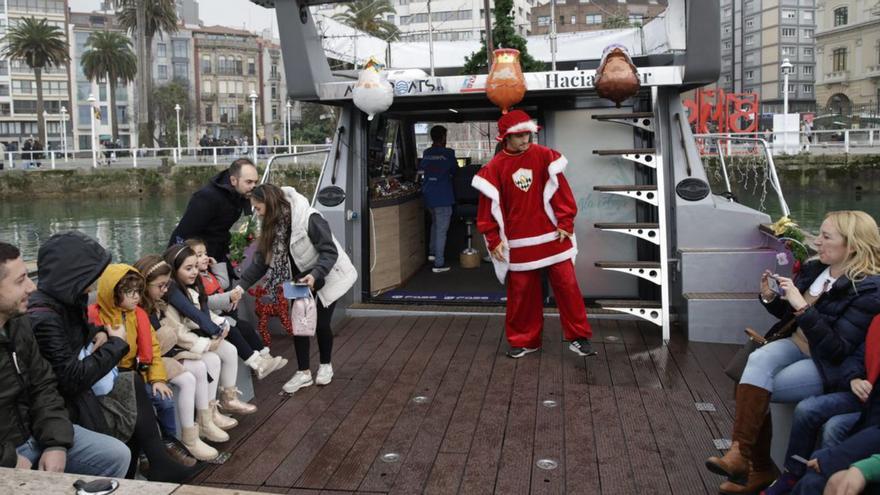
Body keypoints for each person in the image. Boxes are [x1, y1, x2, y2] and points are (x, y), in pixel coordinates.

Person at [705, 211, 880, 495]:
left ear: (853, 245)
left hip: (824, 362)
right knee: (755, 364)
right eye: (819, 234)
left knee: (755, 385)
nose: (817, 242)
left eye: (826, 237)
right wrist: (771, 297)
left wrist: (803, 308)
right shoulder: (816, 269)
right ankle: (742, 457)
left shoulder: (868, 288)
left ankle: (757, 467)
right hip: (794, 343)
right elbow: (790, 316)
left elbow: (837, 350)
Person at [471, 109, 594, 359]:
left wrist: (565, 223)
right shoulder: (494, 168)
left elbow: (562, 193)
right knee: (522, 295)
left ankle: (579, 337)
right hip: (518, 242)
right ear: (505, 137)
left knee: (568, 287)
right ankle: (525, 340)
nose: (526, 140)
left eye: (528, 134)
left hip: (553, 237)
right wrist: (493, 239)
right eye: (519, 136)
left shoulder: (544, 156)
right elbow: (486, 212)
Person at [0, 242, 130, 477]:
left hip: (34, 433)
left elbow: (43, 386)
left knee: (116, 455)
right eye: (20, 281)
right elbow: (69, 379)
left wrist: (56, 443)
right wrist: (9, 460)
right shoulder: (40, 316)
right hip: (7, 453)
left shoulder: (18, 325)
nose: (31, 287)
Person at [235, 184, 357, 394]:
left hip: (328, 274)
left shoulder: (308, 217)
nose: (256, 213)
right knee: (299, 322)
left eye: (258, 208)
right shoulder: (270, 227)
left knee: (321, 323)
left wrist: (316, 274)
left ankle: (326, 365)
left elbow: (329, 251)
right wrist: (239, 287)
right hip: (299, 279)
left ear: (270, 203)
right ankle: (303, 373)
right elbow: (260, 263)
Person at [85, 264, 203, 481]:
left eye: (138, 292)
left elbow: (153, 350)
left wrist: (157, 378)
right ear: (113, 293)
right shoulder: (95, 318)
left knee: (164, 399)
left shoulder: (138, 315)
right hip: (108, 377)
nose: (135, 298)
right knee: (137, 403)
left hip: (135, 371)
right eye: (129, 293)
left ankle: (167, 443)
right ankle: (153, 457)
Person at [762, 316, 880, 495]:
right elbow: (856, 357)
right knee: (807, 408)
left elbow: (837, 348)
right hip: (860, 397)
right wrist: (854, 378)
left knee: (835, 426)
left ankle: (826, 474)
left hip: (869, 413)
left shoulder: (869, 296)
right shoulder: (877, 322)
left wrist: (834, 459)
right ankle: (791, 473)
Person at [134, 255, 227, 461]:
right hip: (150, 362)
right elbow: (161, 340)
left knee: (203, 365)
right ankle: (188, 438)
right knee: (187, 379)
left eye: (167, 285)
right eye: (160, 286)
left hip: (161, 356)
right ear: (144, 285)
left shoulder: (156, 303)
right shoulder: (140, 310)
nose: (165, 290)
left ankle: (204, 421)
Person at [163, 244, 257, 416]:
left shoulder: (193, 287)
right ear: (174, 270)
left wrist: (221, 325)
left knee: (230, 350)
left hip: (200, 336)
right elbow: (186, 325)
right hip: (185, 344)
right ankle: (208, 414)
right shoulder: (171, 294)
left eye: (195, 267)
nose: (194, 272)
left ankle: (228, 398)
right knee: (211, 360)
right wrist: (211, 337)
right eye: (188, 268)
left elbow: (204, 311)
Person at [184, 237, 287, 379]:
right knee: (234, 331)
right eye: (199, 255)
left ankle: (266, 357)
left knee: (246, 327)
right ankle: (256, 364)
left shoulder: (207, 274)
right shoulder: (194, 280)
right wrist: (228, 299)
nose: (205, 258)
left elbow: (224, 283)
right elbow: (206, 302)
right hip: (214, 319)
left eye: (205, 254)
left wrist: (216, 267)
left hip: (224, 315)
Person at [169, 158, 260, 263]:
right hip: (199, 256)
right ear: (233, 180)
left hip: (219, 251)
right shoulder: (207, 198)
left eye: (255, 182)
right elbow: (183, 232)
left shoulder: (239, 194)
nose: (253, 186)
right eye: (249, 182)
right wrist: (172, 261)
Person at [419, 125, 457, 273]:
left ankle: (432, 254)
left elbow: (422, 170)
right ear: (443, 138)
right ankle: (439, 264)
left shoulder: (426, 152)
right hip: (443, 196)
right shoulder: (448, 153)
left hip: (428, 194)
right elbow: (454, 170)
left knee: (435, 224)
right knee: (441, 229)